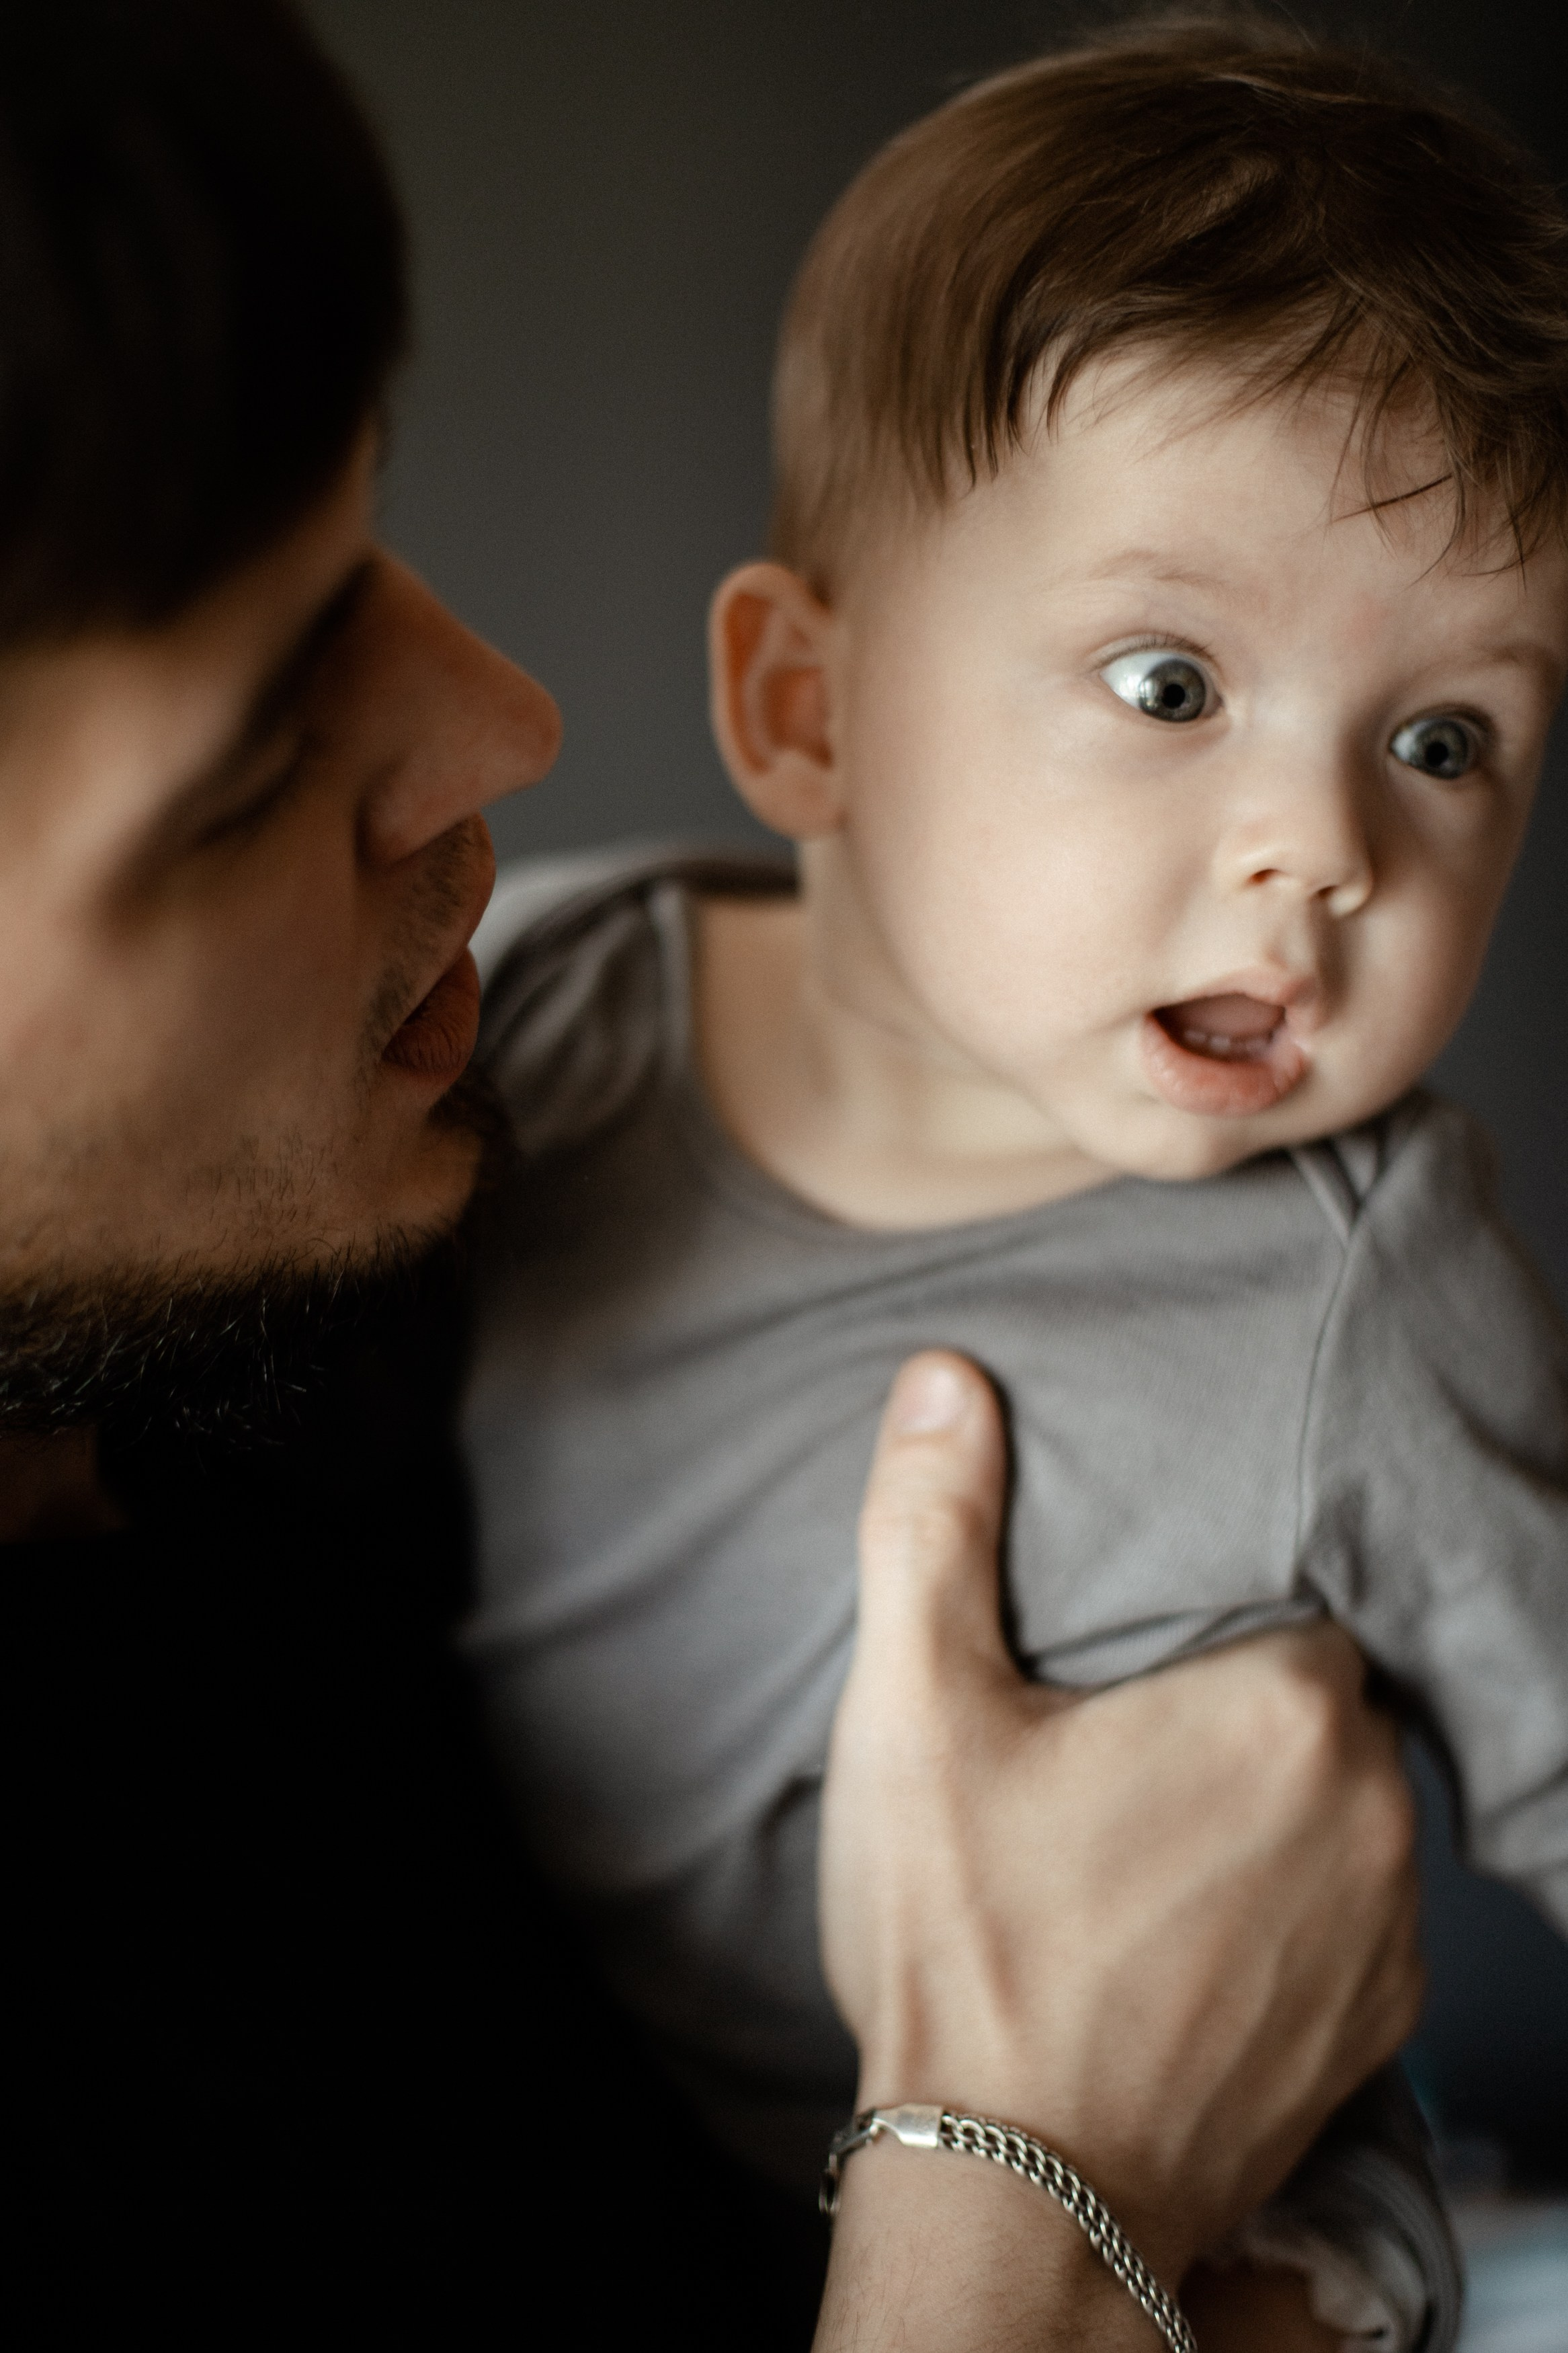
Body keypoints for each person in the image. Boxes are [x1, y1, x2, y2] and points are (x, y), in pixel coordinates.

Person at [3, 3, 1423, 2341]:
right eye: (253, 764)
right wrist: (1029, 2196)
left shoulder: (395, 1233)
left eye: (367, 529)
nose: (506, 721)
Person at [459, 18, 1568, 2351]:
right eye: (1170, 684)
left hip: (1183, 2228)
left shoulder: (1365, 1277)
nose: (1324, 848)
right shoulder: (542, 1011)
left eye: (1443, 736)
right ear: (808, 711)